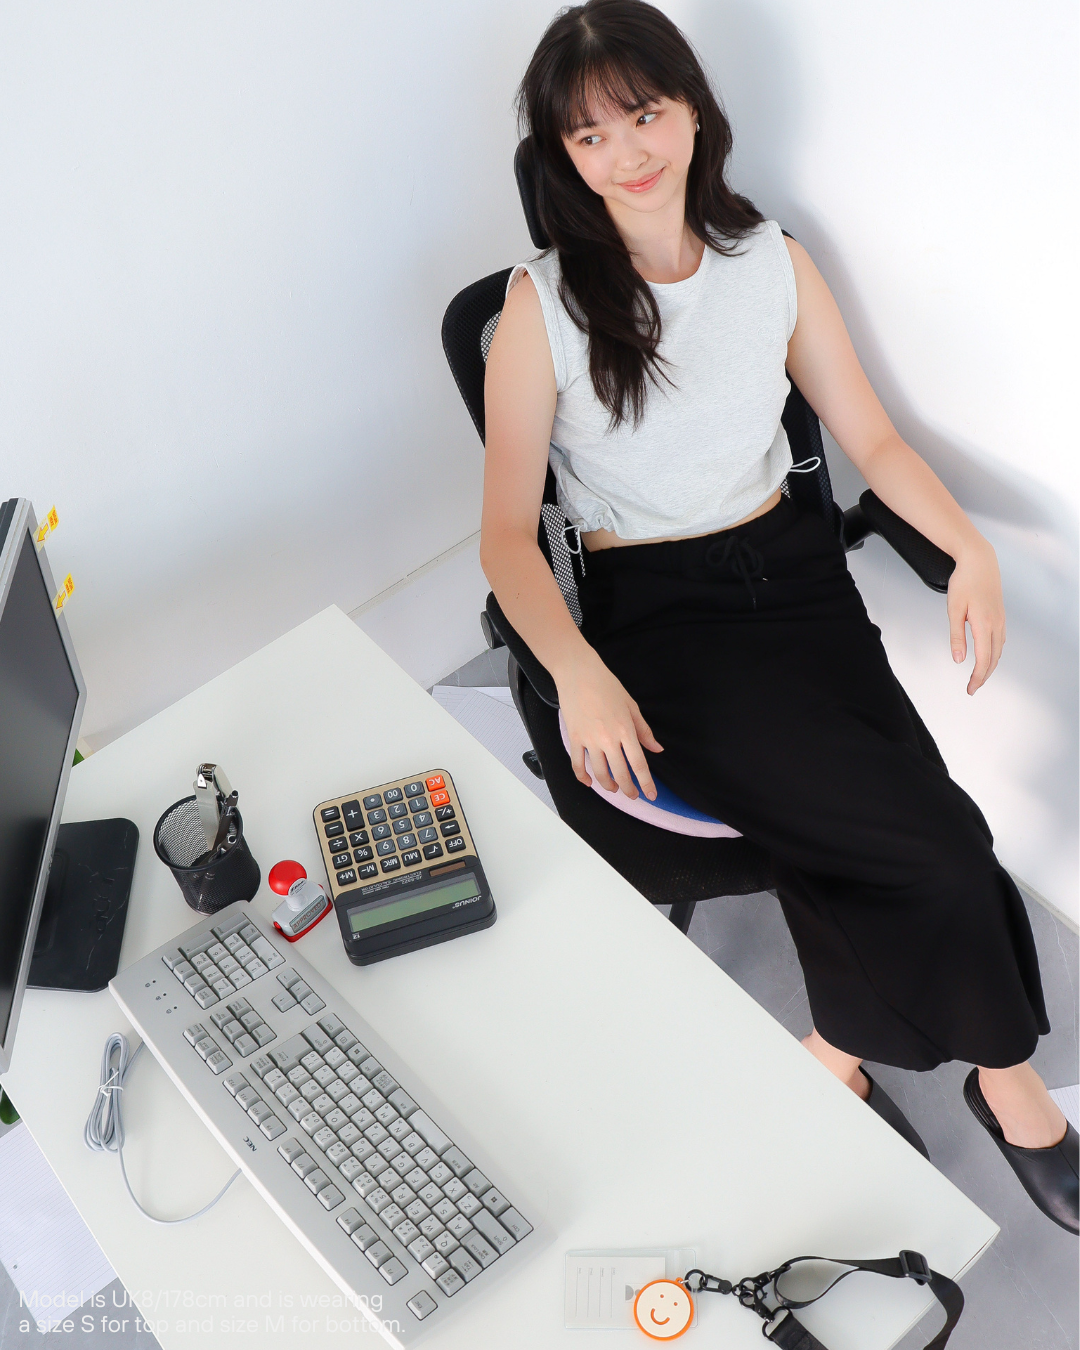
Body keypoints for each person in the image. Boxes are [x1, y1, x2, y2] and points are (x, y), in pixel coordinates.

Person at [480, 0, 1077, 1232]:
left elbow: (869, 437)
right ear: (562, 157)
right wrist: (579, 671)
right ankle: (1011, 1091)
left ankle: (837, 1060)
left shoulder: (773, 262)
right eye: (589, 135)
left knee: (903, 828)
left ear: (693, 107)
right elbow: (503, 538)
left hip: (796, 578)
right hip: (662, 614)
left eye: (643, 113)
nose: (626, 150)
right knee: (941, 847)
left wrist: (968, 547)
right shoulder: (537, 312)